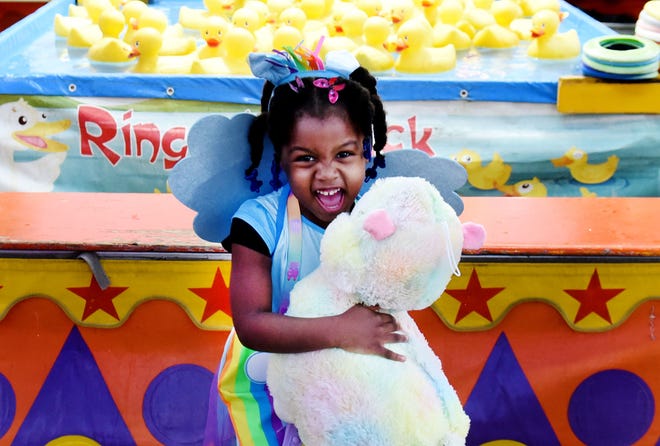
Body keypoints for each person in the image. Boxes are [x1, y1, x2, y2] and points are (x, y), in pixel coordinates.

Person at [205, 44, 408, 446]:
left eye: (344, 154)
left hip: (348, 384)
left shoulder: (379, 217)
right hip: (262, 388)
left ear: (366, 154)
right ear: (280, 157)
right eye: (306, 159)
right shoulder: (259, 223)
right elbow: (251, 325)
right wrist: (341, 330)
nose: (327, 174)